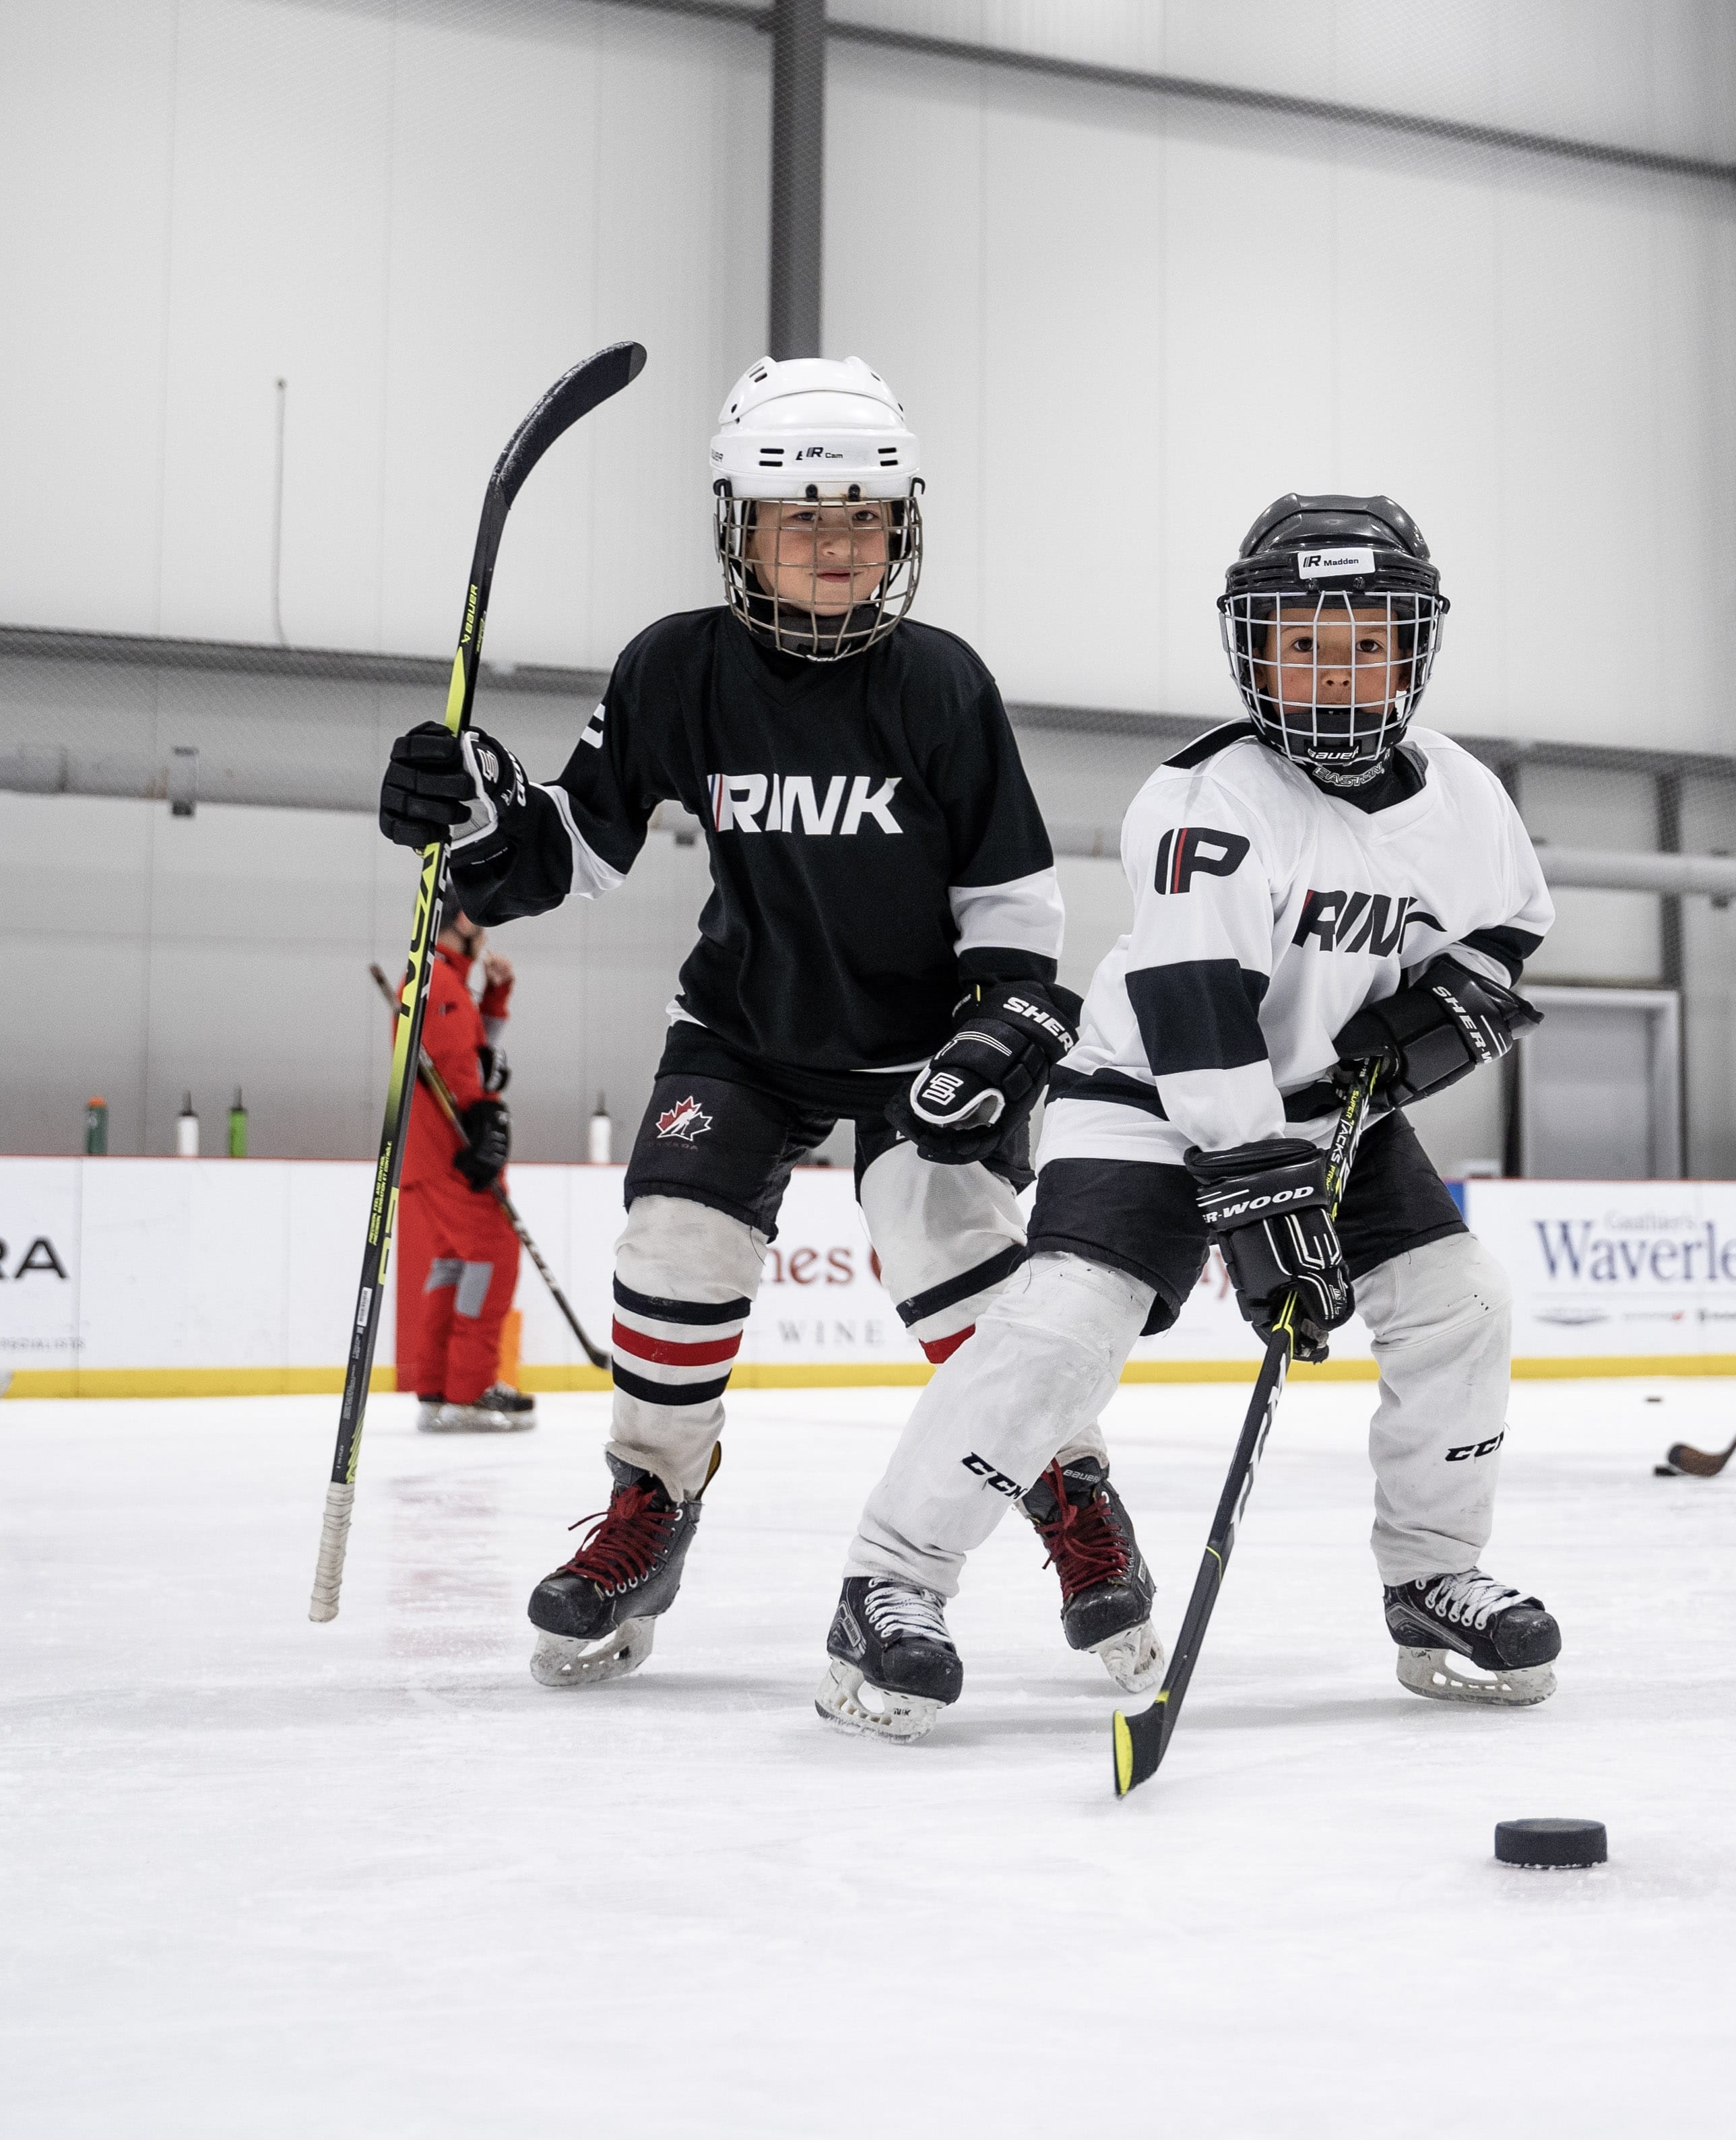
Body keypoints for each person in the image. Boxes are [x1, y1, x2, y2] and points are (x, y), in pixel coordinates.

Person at [379, 355, 1155, 1691]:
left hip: (918, 1049)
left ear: (899, 528)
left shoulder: (942, 685)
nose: (836, 545)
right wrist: (481, 813)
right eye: (802, 519)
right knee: (674, 1241)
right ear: (741, 527)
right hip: (743, 1028)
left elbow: (1013, 900)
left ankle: (1071, 1493)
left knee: (963, 1259)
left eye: (861, 517)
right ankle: (650, 1509)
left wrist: (992, 1027)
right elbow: (570, 848)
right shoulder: (677, 668)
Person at [819, 492, 1561, 1742]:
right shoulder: (1203, 800)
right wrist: (1260, 1191)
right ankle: (890, 1578)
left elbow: (1508, 932)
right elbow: (1196, 1016)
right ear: (1251, 650)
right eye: (1303, 644)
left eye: (1365, 642)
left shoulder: (1468, 801)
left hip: (1335, 1107)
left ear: (1414, 647)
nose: (1333, 676)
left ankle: (1432, 1573)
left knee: (1462, 1300)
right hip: (1150, 1102)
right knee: (1063, 1329)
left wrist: (1415, 1032)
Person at [391, 884, 529, 1433]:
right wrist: (483, 1125)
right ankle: (470, 1391)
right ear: (465, 918)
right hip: (454, 1157)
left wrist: (494, 1000)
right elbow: (457, 1070)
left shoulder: (438, 981)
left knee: (452, 1263)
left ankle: (437, 1386)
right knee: (493, 1253)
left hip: (430, 1158)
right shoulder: (437, 982)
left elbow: (473, 1056)